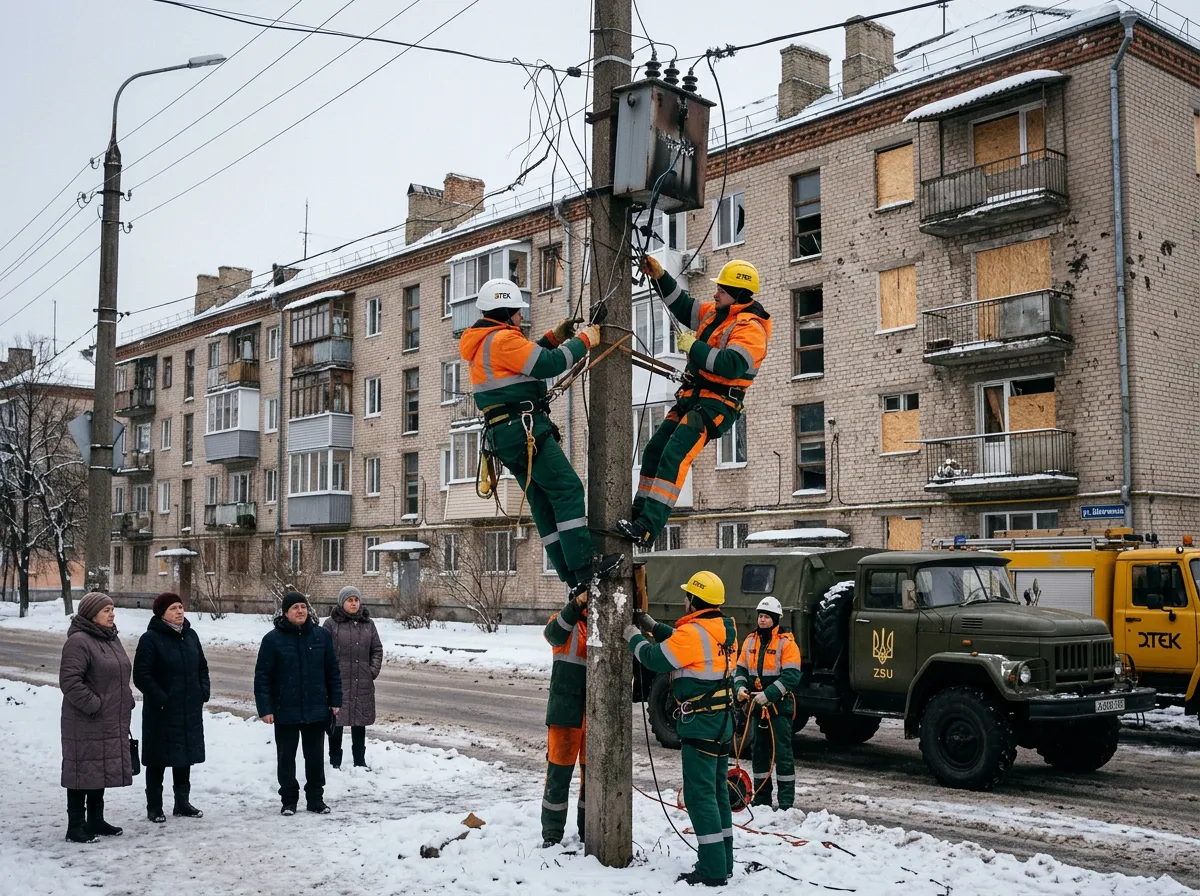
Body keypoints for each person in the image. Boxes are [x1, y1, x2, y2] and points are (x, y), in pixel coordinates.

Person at [459, 278, 619, 597]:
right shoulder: (502, 339)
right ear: (505, 312)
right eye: (517, 312)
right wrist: (586, 340)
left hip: (506, 435)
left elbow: (523, 364)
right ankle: (585, 567)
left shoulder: (485, 341)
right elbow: (548, 364)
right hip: (523, 429)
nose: (521, 318)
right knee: (567, 489)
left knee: (543, 502)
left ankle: (570, 574)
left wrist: (553, 337)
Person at [617, 258, 771, 548]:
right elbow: (684, 306)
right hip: (693, 397)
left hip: (716, 405)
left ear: (738, 294)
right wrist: (660, 275)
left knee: (674, 454)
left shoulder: (751, 328)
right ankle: (637, 516)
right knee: (653, 451)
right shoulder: (717, 314)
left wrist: (694, 347)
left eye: (721, 290)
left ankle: (648, 528)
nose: (715, 294)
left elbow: (732, 365)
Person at [625, 571, 738, 886]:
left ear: (694, 601)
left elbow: (654, 659)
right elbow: (687, 643)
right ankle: (724, 860)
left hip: (700, 724)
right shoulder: (724, 629)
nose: (685, 600)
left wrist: (632, 635)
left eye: (688, 596)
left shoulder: (693, 634)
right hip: (723, 723)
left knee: (700, 797)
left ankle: (712, 870)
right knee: (716, 793)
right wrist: (652, 626)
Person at [253, 592, 343, 815]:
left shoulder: (321, 636)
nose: (300, 611)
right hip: (285, 711)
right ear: (285, 612)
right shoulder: (272, 640)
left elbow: (332, 671)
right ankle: (289, 801)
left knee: (314, 758)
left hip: (315, 710)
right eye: (295, 608)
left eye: (303, 606)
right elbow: (262, 676)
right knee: (286, 759)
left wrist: (335, 700)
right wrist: (265, 708)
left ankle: (315, 799)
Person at [59, 591, 136, 843]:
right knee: (82, 770)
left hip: (109, 718)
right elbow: (70, 681)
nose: (112, 613)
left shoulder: (111, 639)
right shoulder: (79, 641)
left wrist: (126, 700)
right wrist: (95, 705)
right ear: (92, 614)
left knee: (98, 768)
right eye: (106, 610)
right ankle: (76, 826)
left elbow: (119, 675)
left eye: (112, 609)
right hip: (85, 720)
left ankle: (96, 819)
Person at [133, 592, 211, 823]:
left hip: (189, 708)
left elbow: (202, 668)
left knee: (184, 757)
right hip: (162, 711)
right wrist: (162, 698)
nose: (179, 611)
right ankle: (154, 807)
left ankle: (182, 802)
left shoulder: (190, 636)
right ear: (161, 613)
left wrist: (202, 692)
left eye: (180, 607)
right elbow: (141, 675)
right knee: (158, 759)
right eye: (173, 608)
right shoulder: (150, 639)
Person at [733, 596, 802, 811]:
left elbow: (792, 676)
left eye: (766, 617)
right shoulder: (750, 641)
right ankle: (762, 799)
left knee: (782, 754)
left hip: (778, 706)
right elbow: (741, 669)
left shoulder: (786, 643)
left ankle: (786, 803)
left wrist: (769, 694)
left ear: (775, 619)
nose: (762, 620)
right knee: (760, 752)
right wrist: (740, 688)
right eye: (760, 616)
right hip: (757, 705)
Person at [539, 588, 587, 848]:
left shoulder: (604, 626)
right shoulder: (564, 623)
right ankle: (552, 834)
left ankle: (588, 829)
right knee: (558, 776)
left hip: (594, 715)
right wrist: (576, 605)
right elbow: (552, 634)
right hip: (565, 713)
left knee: (592, 779)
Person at [322, 586, 383, 769]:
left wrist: (371, 671)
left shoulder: (368, 624)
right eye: (350, 600)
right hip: (338, 682)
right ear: (342, 602)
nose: (354, 603)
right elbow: (322, 652)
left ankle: (359, 761)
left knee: (359, 721)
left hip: (362, 681)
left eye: (356, 600)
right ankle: (335, 761)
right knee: (337, 721)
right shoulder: (331, 624)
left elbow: (377, 650)